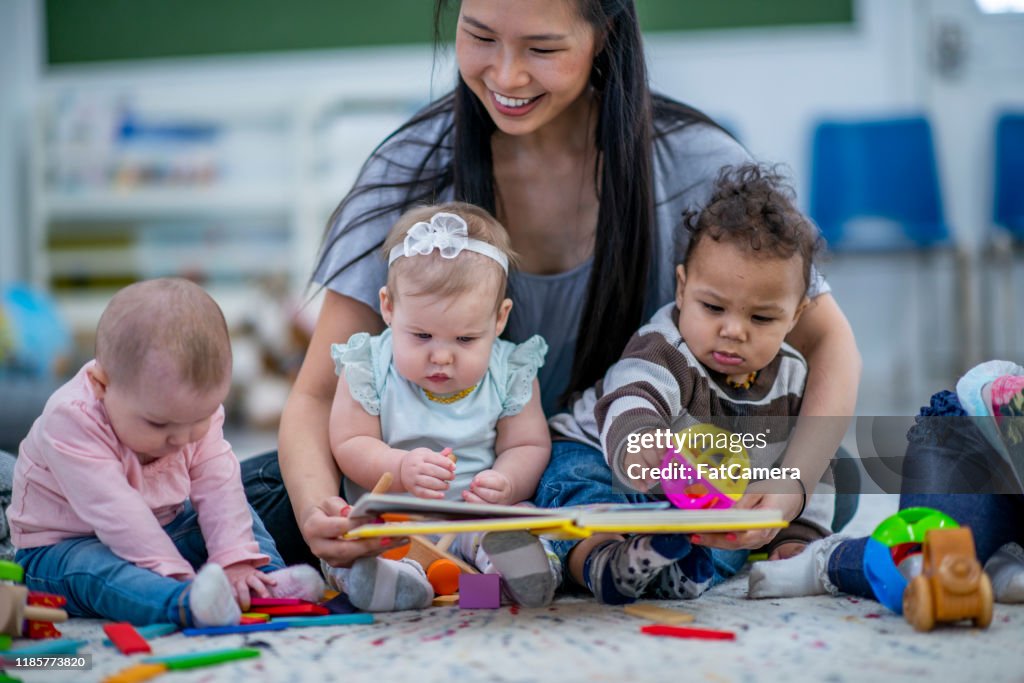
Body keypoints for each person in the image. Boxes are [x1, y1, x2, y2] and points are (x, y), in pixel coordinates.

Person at [242, 0, 860, 572]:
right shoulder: (410, 170)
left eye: (541, 49)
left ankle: (599, 549)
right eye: (479, 36)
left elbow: (830, 341)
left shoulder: (693, 164)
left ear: (604, 36)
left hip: (625, 466)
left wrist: (792, 483)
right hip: (456, 492)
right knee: (251, 499)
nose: (506, 77)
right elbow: (318, 395)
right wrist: (317, 508)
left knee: (836, 477)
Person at [542, 163, 831, 604]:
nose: (734, 331)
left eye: (761, 317)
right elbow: (631, 398)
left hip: (692, 504)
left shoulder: (792, 377)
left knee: (741, 528)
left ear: (796, 316)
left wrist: (794, 535)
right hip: (603, 457)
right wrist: (646, 448)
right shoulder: (664, 348)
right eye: (713, 308)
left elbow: (805, 466)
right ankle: (601, 562)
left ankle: (677, 568)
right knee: (578, 491)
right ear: (682, 289)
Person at [7, 279, 323, 627]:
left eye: (200, 420)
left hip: (163, 526)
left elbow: (218, 484)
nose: (182, 438)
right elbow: (119, 514)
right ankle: (185, 603)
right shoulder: (70, 420)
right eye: (159, 425)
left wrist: (234, 559)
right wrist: (175, 575)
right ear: (101, 385)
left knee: (236, 507)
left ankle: (265, 582)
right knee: (101, 572)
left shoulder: (187, 414)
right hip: (61, 551)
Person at [322, 202, 557, 610]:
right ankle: (396, 584)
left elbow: (528, 445)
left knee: (515, 522)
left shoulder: (510, 369)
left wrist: (505, 482)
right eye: (422, 336)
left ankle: (514, 576)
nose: (442, 357)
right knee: (354, 537)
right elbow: (349, 441)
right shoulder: (368, 365)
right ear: (389, 308)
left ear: (499, 319)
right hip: (397, 520)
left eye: (465, 340)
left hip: (472, 518)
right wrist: (399, 468)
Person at [749, 361, 1024, 605]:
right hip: (968, 439)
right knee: (924, 562)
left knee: (955, 566)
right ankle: (828, 560)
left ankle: (1003, 556)